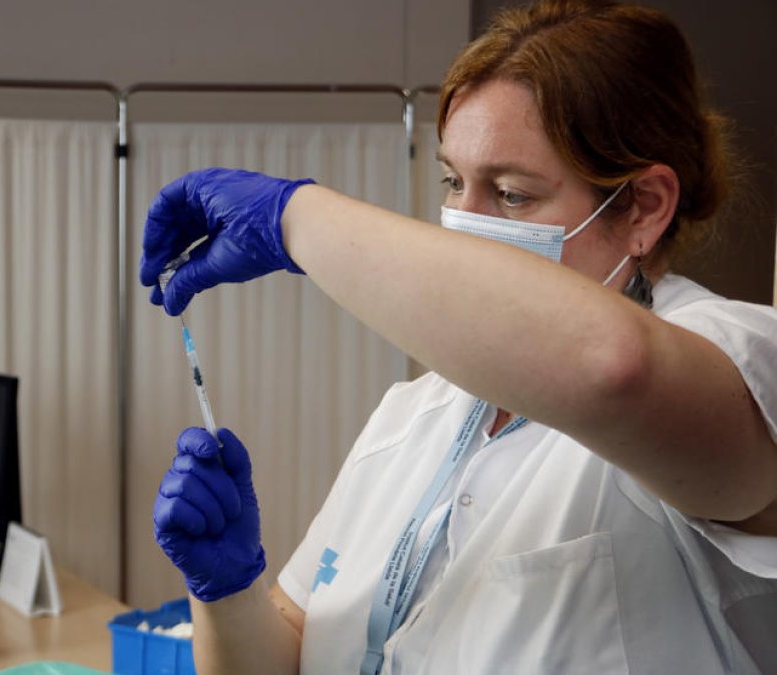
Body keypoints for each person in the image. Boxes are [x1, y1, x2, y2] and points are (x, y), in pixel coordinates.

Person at [141, 1, 777, 673]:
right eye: (452, 181)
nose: (462, 226)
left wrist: (292, 219)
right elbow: (291, 654)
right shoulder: (413, 417)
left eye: (509, 195)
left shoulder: (738, 358)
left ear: (645, 206)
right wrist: (229, 590)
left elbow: (612, 367)